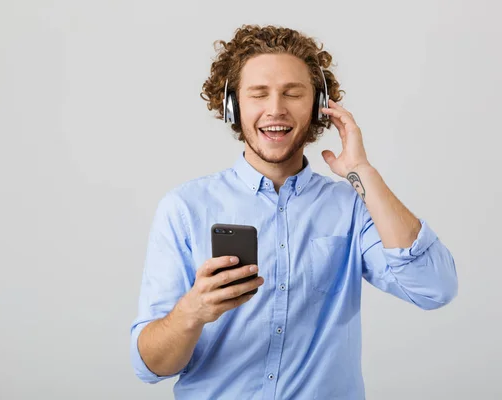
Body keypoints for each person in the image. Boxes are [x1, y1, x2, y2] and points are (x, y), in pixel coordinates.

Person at [129, 24, 458, 399]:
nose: (275, 109)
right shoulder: (185, 208)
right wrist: (193, 312)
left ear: (319, 105)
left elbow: (436, 289)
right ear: (232, 105)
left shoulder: (353, 205)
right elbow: (151, 366)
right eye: (258, 94)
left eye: (292, 93)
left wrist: (363, 173)